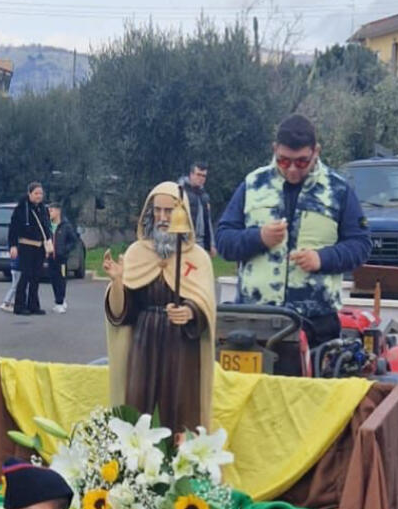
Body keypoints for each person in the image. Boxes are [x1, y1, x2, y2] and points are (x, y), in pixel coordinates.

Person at [215, 113, 372, 345]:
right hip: (256, 319)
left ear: (316, 152)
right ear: (274, 149)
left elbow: (361, 245)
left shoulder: (339, 190)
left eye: (301, 162)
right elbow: (223, 240)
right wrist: (258, 238)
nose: (291, 170)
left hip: (316, 322)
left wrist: (322, 258)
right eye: (283, 160)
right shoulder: (252, 184)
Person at [104, 181, 216, 433]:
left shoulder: (197, 258)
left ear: (183, 214)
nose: (163, 218)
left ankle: (179, 463)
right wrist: (118, 281)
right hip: (144, 342)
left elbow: (205, 304)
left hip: (181, 345)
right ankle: (137, 465)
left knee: (179, 406)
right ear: (149, 213)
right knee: (138, 403)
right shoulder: (136, 253)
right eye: (158, 211)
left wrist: (190, 311)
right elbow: (124, 313)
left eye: (170, 211)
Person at [8, 182, 52, 317]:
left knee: (36, 277)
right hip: (26, 246)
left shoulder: (43, 209)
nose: (39, 196)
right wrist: (13, 245)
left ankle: (33, 305)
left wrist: (48, 243)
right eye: (36, 193)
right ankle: (19, 306)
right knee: (25, 275)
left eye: (41, 193)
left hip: (39, 247)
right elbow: (13, 228)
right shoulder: (21, 208)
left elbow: (46, 227)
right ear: (29, 193)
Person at [46, 203, 78, 313]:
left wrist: (65, 249)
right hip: (51, 257)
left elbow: (74, 240)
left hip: (62, 258)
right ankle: (58, 300)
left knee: (61, 279)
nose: (49, 213)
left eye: (51, 211)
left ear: (58, 211)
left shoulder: (66, 226)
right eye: (49, 211)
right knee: (53, 279)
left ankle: (60, 302)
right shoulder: (48, 226)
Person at [178, 162, 215, 253]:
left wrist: (211, 244)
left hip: (201, 243)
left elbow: (208, 221)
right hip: (185, 242)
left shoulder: (204, 196)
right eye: (198, 174)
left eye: (204, 176)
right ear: (191, 174)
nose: (201, 178)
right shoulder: (180, 192)